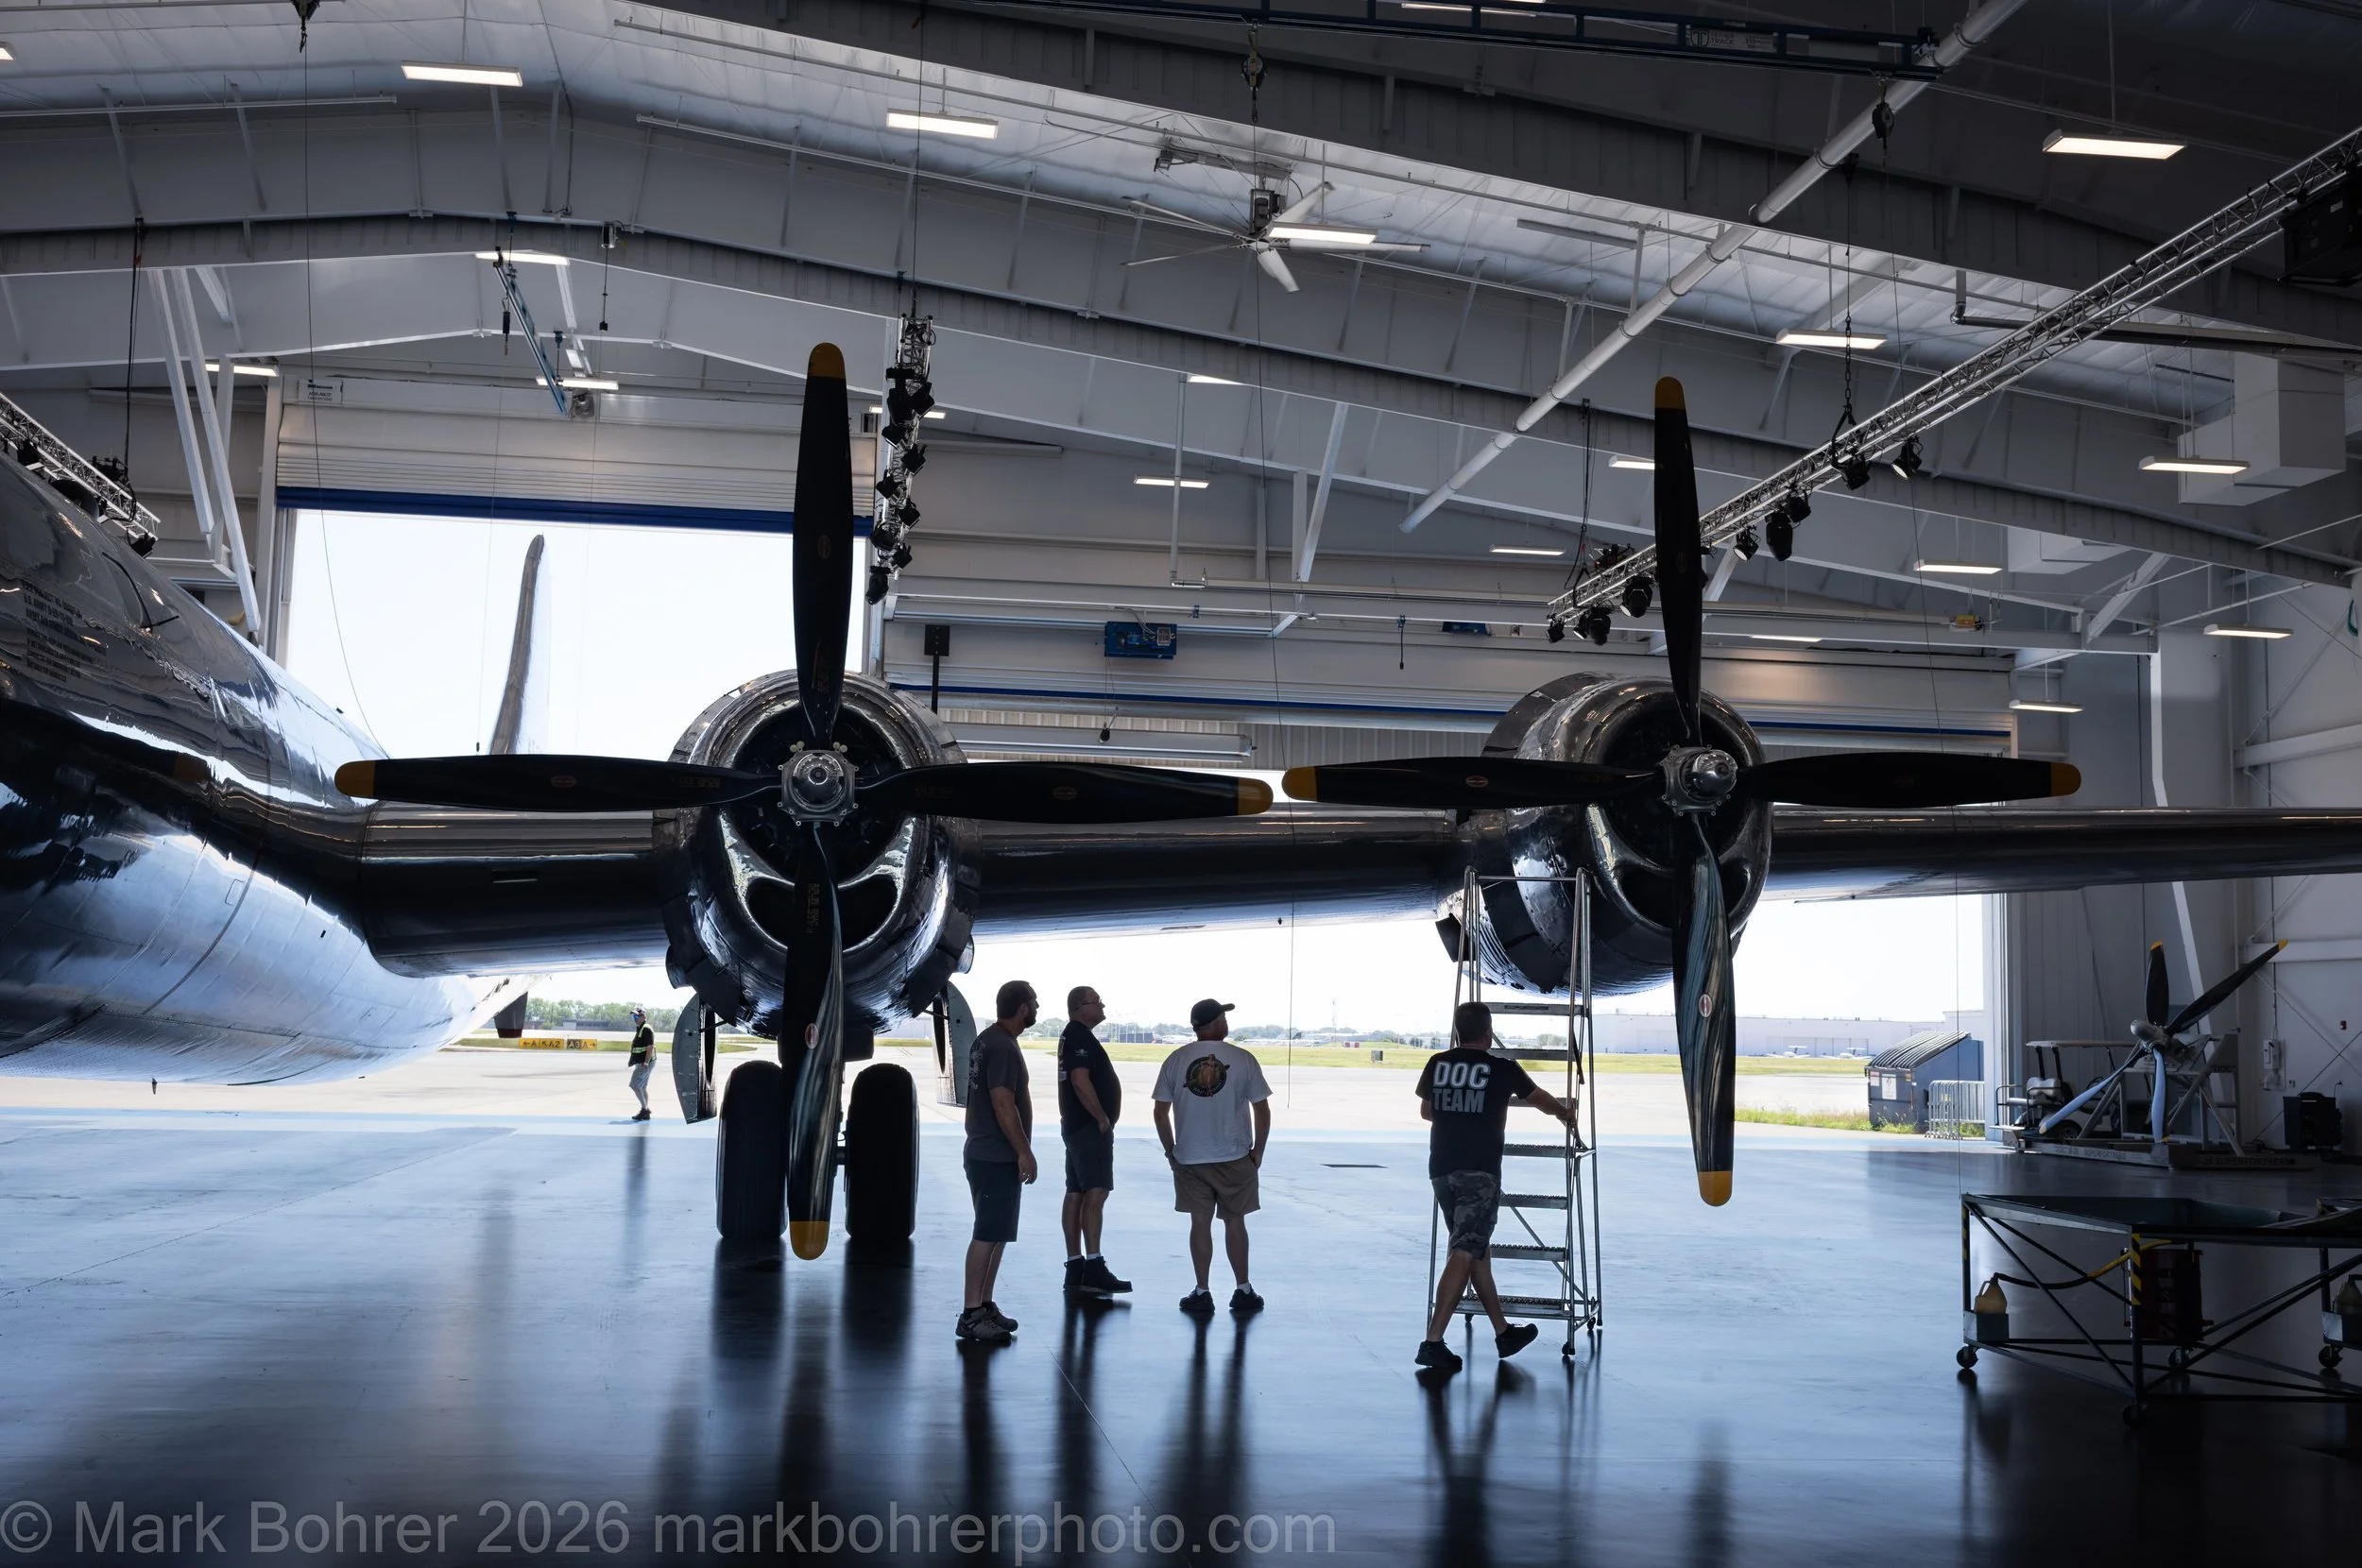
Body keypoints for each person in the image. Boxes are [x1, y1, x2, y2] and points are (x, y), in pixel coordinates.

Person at [1413, 999, 1581, 1373]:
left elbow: (1426, 1111)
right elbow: (1539, 1099)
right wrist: (1564, 1113)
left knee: (1476, 1251)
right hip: (1480, 1173)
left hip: (1442, 1170)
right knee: (1464, 1251)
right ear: (1488, 1034)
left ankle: (1504, 1332)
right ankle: (1433, 1341)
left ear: (1458, 1032)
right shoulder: (1502, 1068)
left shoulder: (1437, 1063)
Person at [1153, 999, 1272, 1318]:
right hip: (1234, 1155)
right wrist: (1258, 1151)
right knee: (1235, 1221)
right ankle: (1243, 1289)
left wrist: (1170, 1149)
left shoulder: (1175, 1060)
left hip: (1190, 1158)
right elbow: (1261, 1109)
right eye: (1223, 1017)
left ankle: (1202, 1290)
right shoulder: (1243, 1059)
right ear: (1217, 1022)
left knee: (1200, 1223)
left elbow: (1160, 1112)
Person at [960, 980, 1039, 1345]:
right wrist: (1024, 1150)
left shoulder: (989, 1040)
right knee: (987, 1234)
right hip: (994, 1155)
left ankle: (985, 1305)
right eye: (1034, 1002)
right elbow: (1003, 1103)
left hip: (988, 1152)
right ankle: (971, 1314)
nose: (1036, 1008)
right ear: (1023, 1008)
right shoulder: (1003, 1046)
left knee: (997, 1234)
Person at [1058, 985, 1131, 1298]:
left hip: (1076, 1126)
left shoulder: (1074, 1035)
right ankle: (1094, 1264)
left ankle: (1076, 1265)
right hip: (1088, 1128)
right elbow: (1079, 1079)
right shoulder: (1079, 1036)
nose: (1102, 1006)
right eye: (1096, 1002)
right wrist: (1101, 1116)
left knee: (1076, 1192)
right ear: (1079, 1006)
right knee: (1097, 1191)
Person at [625, 1008, 656, 1121]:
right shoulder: (640, 1028)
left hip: (645, 1063)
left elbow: (650, 1047)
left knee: (634, 1085)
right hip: (642, 1062)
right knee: (642, 1087)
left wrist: (646, 1062)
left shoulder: (646, 1029)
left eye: (637, 1016)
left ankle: (645, 1110)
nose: (635, 1018)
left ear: (643, 1017)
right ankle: (645, 1112)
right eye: (634, 1016)